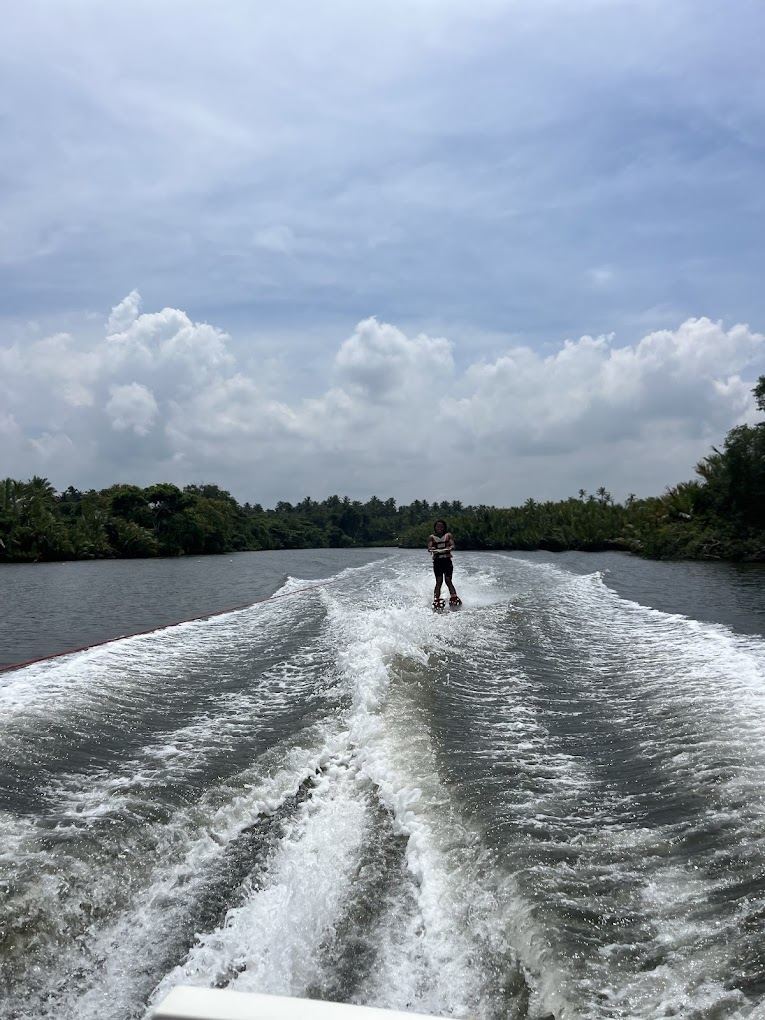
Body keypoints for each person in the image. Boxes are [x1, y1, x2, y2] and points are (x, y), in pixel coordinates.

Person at [428, 519, 461, 609]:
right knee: (439, 581)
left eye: (441, 526)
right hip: (438, 562)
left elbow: (452, 545)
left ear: (444, 527)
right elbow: (429, 547)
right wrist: (432, 549)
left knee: (448, 580)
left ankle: (454, 596)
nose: (439, 528)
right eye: (438, 526)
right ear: (435, 527)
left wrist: (449, 548)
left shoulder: (448, 535)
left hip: (447, 561)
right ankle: (436, 599)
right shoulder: (432, 537)